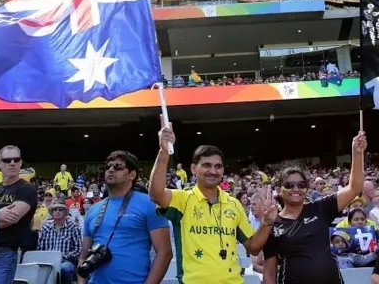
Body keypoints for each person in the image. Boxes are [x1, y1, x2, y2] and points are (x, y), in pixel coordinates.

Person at [149, 115, 277, 284]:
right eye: (206, 165)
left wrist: (266, 222)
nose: (213, 171)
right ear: (194, 169)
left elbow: (253, 247)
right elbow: (156, 194)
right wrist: (164, 151)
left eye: (218, 166)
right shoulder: (183, 199)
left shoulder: (233, 204)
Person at [261, 131, 367, 284]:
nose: (295, 188)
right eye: (289, 185)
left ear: (307, 188)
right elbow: (269, 273)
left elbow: (355, 188)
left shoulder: (321, 208)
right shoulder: (272, 224)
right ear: (278, 189)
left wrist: (356, 153)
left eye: (301, 184)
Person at [78, 150, 171, 284]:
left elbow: (164, 252)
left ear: (132, 174)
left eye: (117, 167)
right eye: (108, 167)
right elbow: (83, 257)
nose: (110, 170)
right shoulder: (93, 210)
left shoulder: (149, 204)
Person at [0, 145, 38, 284]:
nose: (12, 163)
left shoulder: (27, 189)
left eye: (16, 159)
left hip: (5, 253)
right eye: (7, 160)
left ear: (21, 162)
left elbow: (8, 220)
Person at [38, 199, 83, 284]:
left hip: (66, 260)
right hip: (47, 261)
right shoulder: (45, 228)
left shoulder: (73, 227)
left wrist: (63, 257)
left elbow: (78, 249)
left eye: (60, 209)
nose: (57, 211)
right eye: (55, 209)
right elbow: (40, 248)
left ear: (65, 212)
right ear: (52, 213)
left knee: (65, 268)